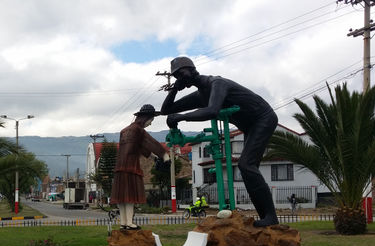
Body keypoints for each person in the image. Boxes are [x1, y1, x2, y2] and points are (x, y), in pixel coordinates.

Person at [161, 56, 279, 227]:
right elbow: (166, 110)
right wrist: (174, 90)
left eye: (181, 73)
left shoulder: (217, 84)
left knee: (247, 165)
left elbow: (212, 110)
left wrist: (182, 117)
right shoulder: (201, 95)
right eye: (177, 76)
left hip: (263, 118)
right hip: (250, 126)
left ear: (193, 70)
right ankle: (267, 218)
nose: (180, 78)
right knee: (247, 169)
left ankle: (271, 217)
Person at [110, 104, 170, 230]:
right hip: (131, 167)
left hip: (120, 167)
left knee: (122, 197)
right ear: (146, 118)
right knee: (130, 196)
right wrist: (164, 155)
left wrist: (153, 157)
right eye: (151, 120)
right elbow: (150, 142)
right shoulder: (138, 130)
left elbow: (139, 146)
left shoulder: (124, 131)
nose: (150, 123)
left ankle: (124, 222)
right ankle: (130, 223)